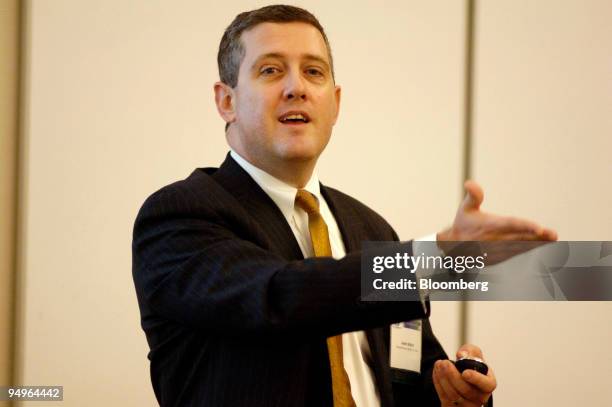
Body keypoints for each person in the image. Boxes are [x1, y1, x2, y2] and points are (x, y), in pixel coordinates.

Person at [132, 5, 556, 407]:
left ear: (334, 102)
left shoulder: (371, 229)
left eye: (313, 72)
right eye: (271, 70)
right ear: (227, 101)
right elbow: (279, 297)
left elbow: (407, 377)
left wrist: (455, 394)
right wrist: (431, 257)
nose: (296, 87)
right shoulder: (179, 215)